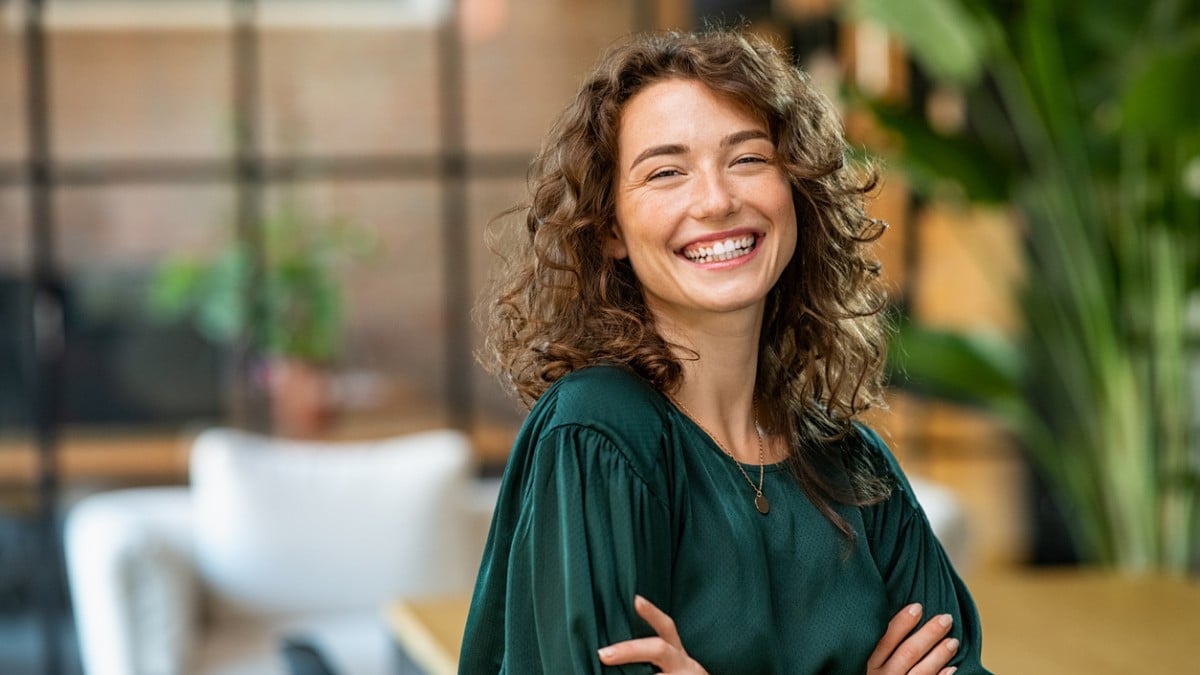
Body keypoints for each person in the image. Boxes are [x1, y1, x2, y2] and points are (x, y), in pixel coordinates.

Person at [460, 29, 990, 675]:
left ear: (795, 191)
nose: (716, 200)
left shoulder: (853, 465)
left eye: (747, 159)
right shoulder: (598, 433)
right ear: (610, 228)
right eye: (666, 172)